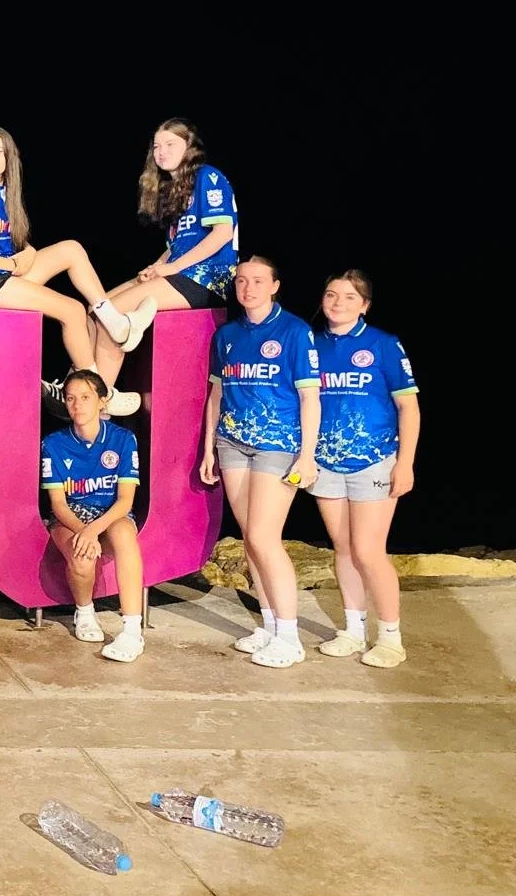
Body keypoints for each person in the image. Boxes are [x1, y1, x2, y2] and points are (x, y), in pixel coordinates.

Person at [0, 126, 156, 419]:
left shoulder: (7, 191)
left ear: (10, 155)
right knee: (71, 310)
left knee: (71, 249)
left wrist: (29, 252)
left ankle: (116, 324)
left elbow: (12, 245)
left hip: (4, 274)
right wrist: (11, 265)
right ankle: (102, 393)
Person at [200, 255, 320, 669]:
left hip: (278, 446)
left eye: (257, 281)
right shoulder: (228, 335)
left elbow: (309, 398)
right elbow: (215, 395)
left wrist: (308, 455)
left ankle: (290, 635)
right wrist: (207, 448)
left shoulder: (295, 332)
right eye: (241, 281)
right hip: (233, 444)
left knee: (266, 538)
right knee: (251, 537)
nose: (247, 288)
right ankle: (268, 625)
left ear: (274, 286)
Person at [311, 270, 420, 668]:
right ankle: (353, 631)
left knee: (369, 550)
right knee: (342, 549)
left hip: (374, 459)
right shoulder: (312, 346)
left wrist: (404, 463)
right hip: (326, 463)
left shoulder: (383, 345)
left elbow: (409, 406)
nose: (338, 303)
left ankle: (390, 637)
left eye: (349, 297)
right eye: (331, 295)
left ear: (365, 305)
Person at [92, 118, 239, 392]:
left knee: (108, 316)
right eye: (157, 146)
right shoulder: (174, 191)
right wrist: (157, 265)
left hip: (205, 279)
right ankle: (81, 386)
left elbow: (222, 233)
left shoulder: (208, 176)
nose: (162, 152)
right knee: (96, 310)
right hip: (179, 272)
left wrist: (172, 269)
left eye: (171, 144)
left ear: (189, 147)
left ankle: (101, 401)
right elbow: (176, 245)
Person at [41, 370, 146, 661]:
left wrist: (94, 529)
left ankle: (132, 629)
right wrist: (83, 531)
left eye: (85, 397)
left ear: (101, 401)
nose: (77, 405)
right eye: (71, 398)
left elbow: (125, 502)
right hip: (71, 515)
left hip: (109, 514)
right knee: (82, 555)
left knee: (125, 533)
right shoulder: (54, 443)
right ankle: (84, 612)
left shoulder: (123, 439)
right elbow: (59, 505)